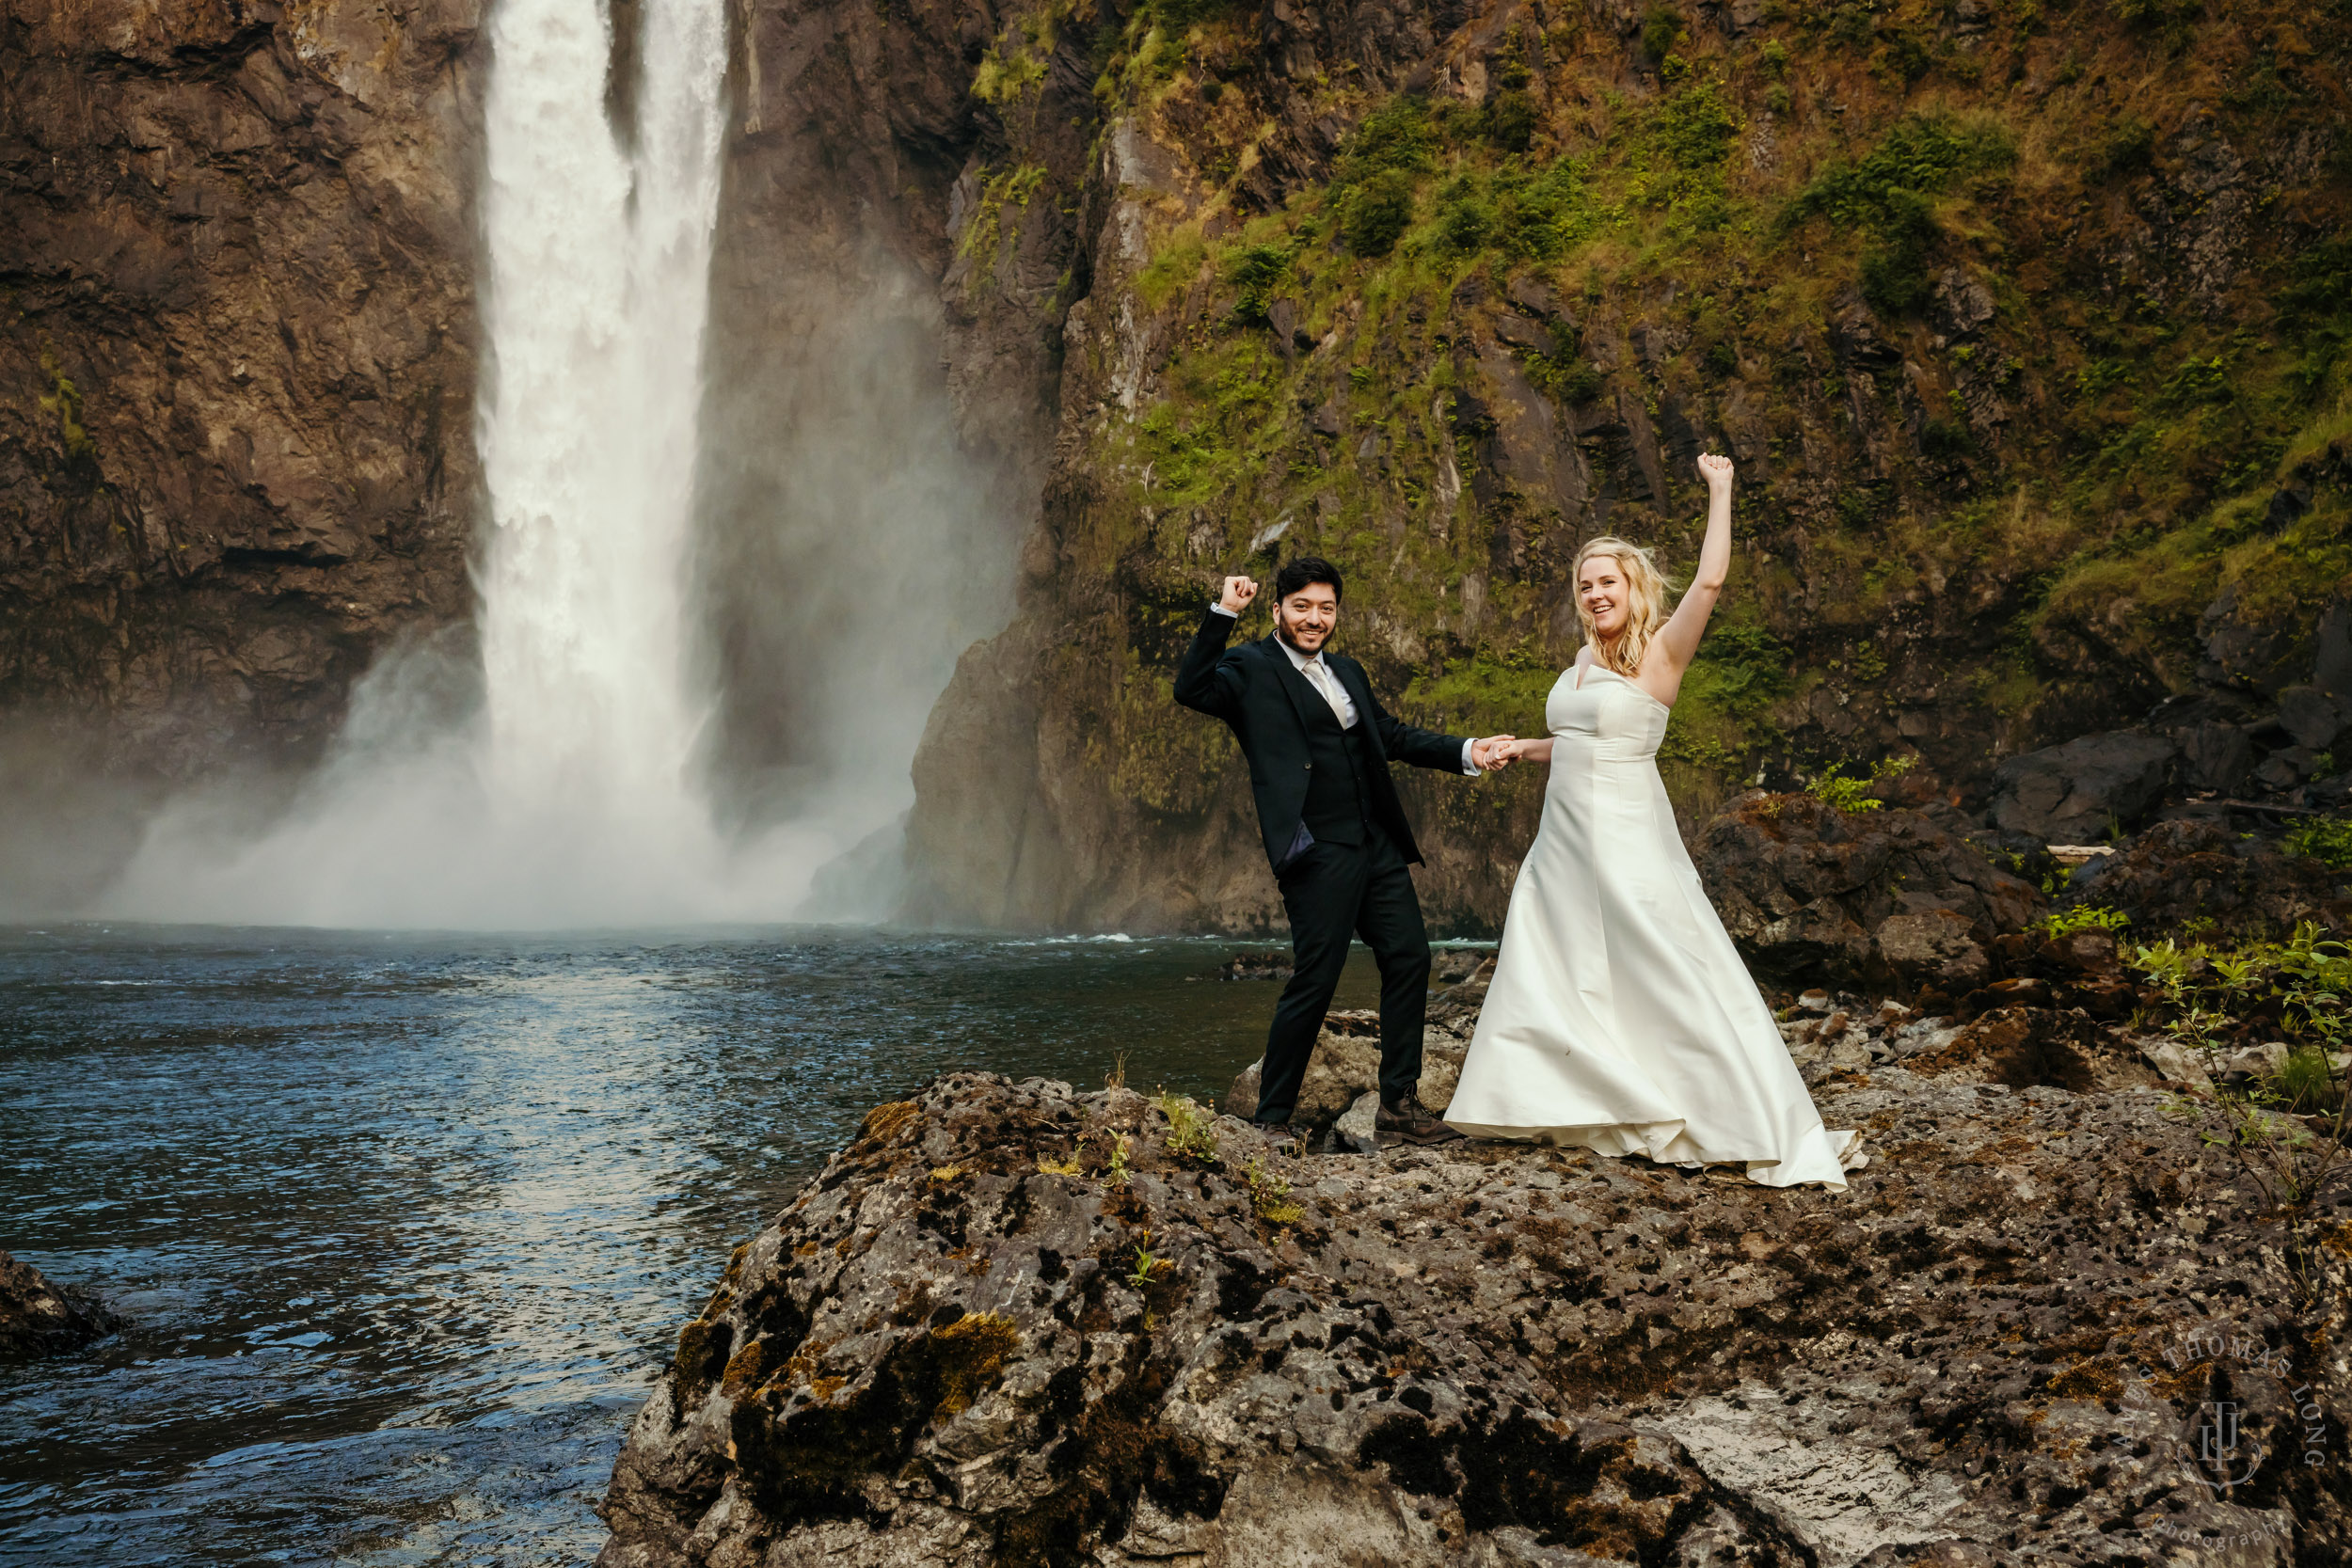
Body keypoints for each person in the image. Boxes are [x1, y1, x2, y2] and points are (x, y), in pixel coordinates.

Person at [1442, 453, 1867, 1186]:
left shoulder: (1662, 652)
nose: (1595, 593)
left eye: (1608, 581)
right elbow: (1581, 738)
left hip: (1627, 838)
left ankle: (1733, 1108)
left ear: (1632, 587)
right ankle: (1586, 1097)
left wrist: (1722, 489)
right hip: (1565, 844)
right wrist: (1526, 747)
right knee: (1559, 967)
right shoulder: (1581, 657)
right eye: (1585, 584)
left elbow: (1709, 580)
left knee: (1665, 965)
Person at [1174, 556, 1516, 1147]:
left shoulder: (1348, 671)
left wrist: (1469, 750)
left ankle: (1398, 1109)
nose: (1315, 618)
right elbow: (1191, 689)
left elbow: (1391, 738)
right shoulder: (1249, 668)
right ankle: (1271, 1120)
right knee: (1317, 977)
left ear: (1336, 612)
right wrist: (1224, 612)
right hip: (1315, 849)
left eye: (1326, 608)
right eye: (1302, 606)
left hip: (1375, 842)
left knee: (1410, 957)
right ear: (1278, 608)